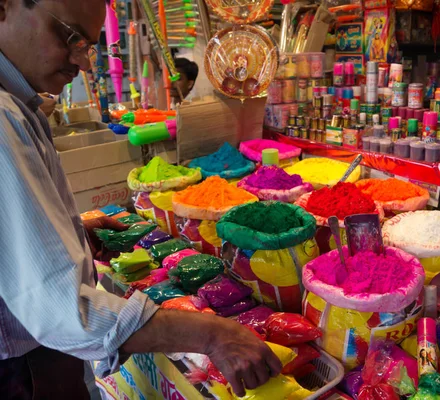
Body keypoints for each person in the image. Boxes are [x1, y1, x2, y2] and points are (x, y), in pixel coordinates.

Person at [0, 0, 281, 398]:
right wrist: (214, 336)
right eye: (70, 37)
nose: (82, 63)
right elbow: (61, 310)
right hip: (22, 371)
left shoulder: (18, 104)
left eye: (89, 46)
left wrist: (65, 233)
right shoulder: (3, 118)